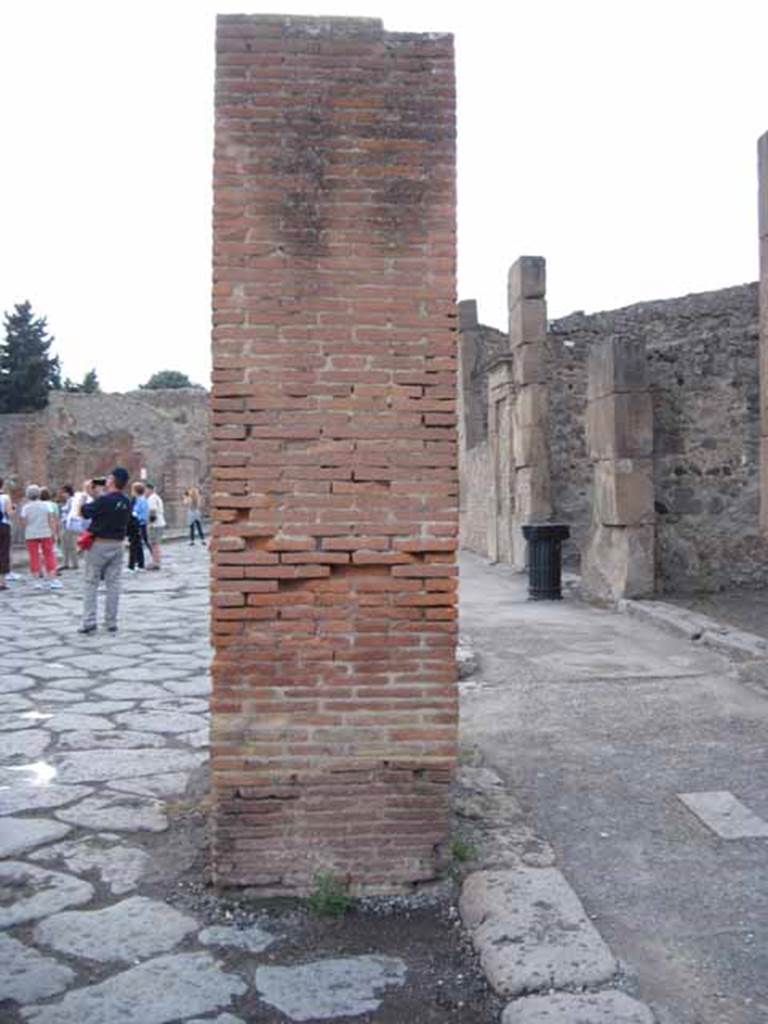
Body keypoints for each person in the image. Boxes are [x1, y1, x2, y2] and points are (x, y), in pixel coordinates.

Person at [79, 467, 131, 634]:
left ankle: (89, 621)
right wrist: (97, 496)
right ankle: (111, 622)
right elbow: (106, 507)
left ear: (112, 480)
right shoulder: (126, 501)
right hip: (117, 544)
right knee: (113, 584)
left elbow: (85, 512)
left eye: (108, 478)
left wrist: (85, 495)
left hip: (99, 544)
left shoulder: (103, 500)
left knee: (91, 582)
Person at [20, 485, 61, 589]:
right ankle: (52, 579)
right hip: (45, 532)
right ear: (39, 494)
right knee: (49, 555)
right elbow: (50, 520)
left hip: (31, 534)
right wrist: (53, 532)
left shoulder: (25, 507)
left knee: (34, 556)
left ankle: (36, 581)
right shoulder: (46, 506)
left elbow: (24, 523)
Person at [127, 481, 149, 571]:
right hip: (137, 524)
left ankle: (133, 565)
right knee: (138, 545)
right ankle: (140, 564)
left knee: (135, 545)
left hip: (138, 524)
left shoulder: (141, 500)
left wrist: (134, 516)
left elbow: (142, 514)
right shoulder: (138, 499)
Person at [145, 481, 166, 570]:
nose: (145, 492)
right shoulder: (157, 497)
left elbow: (152, 511)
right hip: (160, 522)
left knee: (154, 543)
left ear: (149, 489)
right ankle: (156, 560)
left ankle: (156, 562)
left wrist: (149, 523)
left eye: (146, 490)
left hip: (155, 524)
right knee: (155, 543)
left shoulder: (151, 498)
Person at [59, 484, 79, 570]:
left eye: (63, 492)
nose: (62, 494)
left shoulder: (72, 500)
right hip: (66, 525)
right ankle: (66, 562)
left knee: (71, 545)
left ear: (67, 492)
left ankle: (73, 563)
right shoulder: (68, 501)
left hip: (69, 525)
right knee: (65, 545)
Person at [0, 478, 12, 591]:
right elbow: (9, 513)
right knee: (3, 552)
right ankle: (2, 582)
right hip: (3, 526)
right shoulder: (5, 497)